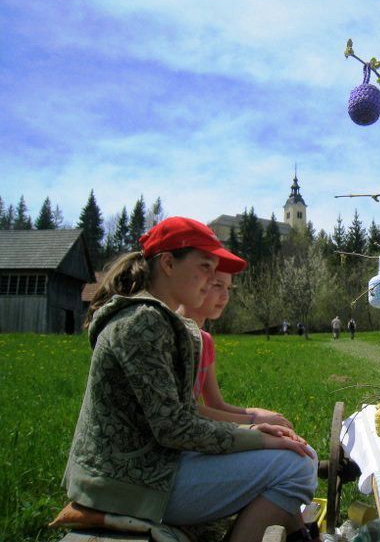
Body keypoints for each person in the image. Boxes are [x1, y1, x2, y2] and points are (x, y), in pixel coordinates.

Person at [65, 217, 318, 542]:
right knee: (297, 466)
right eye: (204, 267)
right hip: (126, 484)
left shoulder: (156, 319)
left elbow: (181, 418)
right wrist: (258, 437)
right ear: (168, 263)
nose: (212, 279)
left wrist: (252, 430)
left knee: (294, 456)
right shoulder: (142, 323)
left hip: (141, 470)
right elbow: (175, 427)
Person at [178, 271, 292, 428]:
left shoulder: (205, 340)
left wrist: (256, 413)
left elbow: (215, 404)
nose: (225, 296)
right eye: (217, 285)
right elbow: (183, 410)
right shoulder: (172, 335)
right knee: (297, 452)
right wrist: (252, 421)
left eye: (229, 288)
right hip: (185, 440)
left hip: (198, 432)